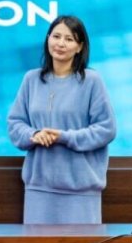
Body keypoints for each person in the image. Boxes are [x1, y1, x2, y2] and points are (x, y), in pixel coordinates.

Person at [7, 15, 116, 224]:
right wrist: (34, 134)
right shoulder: (31, 79)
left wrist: (64, 137)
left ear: (79, 47)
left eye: (69, 39)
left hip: (80, 189)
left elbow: (106, 128)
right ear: (48, 39)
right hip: (39, 188)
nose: (60, 43)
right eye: (56, 36)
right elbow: (15, 124)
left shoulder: (92, 81)